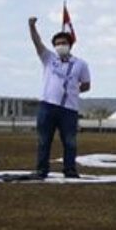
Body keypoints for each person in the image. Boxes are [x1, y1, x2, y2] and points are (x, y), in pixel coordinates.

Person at [28, 16, 91, 179]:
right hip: (47, 106)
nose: (60, 46)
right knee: (44, 140)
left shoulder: (81, 64)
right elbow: (37, 42)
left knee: (70, 142)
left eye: (63, 43)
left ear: (70, 45)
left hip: (69, 109)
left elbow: (86, 84)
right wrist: (32, 26)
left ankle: (69, 169)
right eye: (57, 43)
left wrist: (73, 91)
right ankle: (42, 169)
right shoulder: (49, 59)